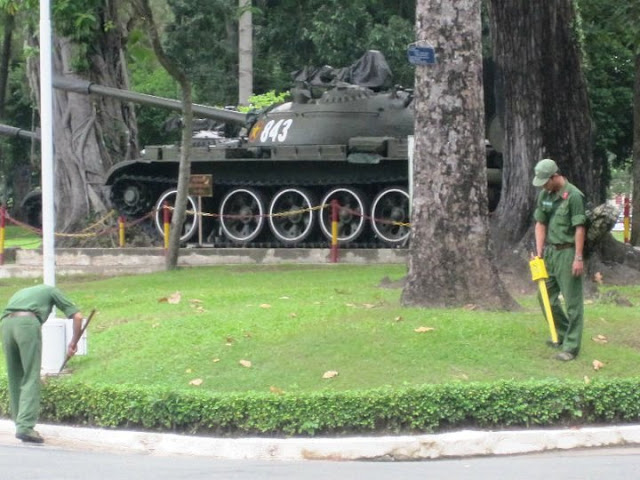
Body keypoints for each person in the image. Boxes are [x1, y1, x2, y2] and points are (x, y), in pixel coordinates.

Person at [1, 284, 84, 443]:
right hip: (26, 324)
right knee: (31, 375)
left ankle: (19, 422)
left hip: (5, 324)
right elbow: (78, 316)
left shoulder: (22, 291)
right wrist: (73, 343)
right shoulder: (52, 291)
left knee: (15, 376)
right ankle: (25, 427)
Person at [532, 158, 586, 362]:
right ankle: (562, 332)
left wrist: (578, 258)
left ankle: (571, 347)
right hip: (550, 253)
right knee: (545, 296)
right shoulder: (545, 195)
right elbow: (540, 223)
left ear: (556, 176)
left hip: (568, 252)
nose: (544, 186)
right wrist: (539, 253)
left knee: (572, 302)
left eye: (546, 181)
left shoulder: (574, 196)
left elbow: (579, 228)